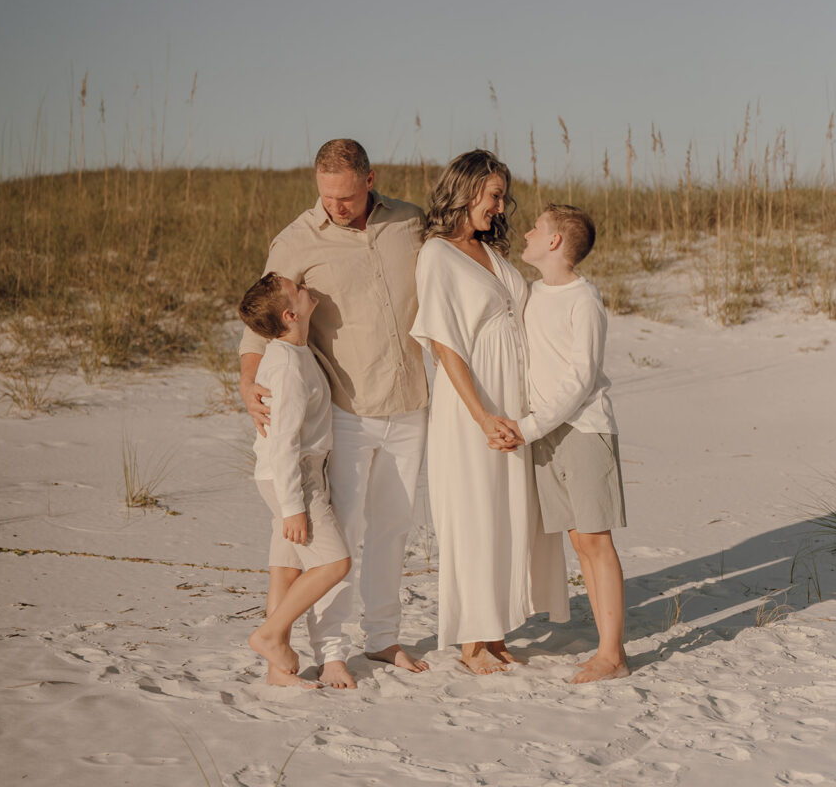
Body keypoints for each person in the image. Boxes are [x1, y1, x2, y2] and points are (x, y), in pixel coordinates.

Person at [239, 139, 430, 690]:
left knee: (394, 529)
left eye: (345, 196)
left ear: (371, 180)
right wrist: (248, 380)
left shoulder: (409, 223)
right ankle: (332, 649)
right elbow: (260, 319)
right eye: (325, 196)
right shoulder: (297, 240)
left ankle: (384, 636)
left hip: (410, 401)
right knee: (340, 536)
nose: (335, 207)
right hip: (344, 411)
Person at [410, 149, 569, 675]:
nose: (501, 207)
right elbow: (443, 344)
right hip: (472, 409)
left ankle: (495, 631)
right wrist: (481, 414)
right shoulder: (437, 254)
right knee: (475, 515)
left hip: (514, 406)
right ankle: (472, 642)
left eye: (502, 197)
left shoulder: (491, 253)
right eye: (494, 195)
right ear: (466, 190)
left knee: (508, 514)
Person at [490, 204, 629, 683]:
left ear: (554, 242)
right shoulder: (530, 294)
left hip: (583, 430)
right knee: (577, 539)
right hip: (545, 434)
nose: (526, 232)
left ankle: (613, 656)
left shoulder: (583, 299)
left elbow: (579, 381)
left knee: (594, 538)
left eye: (536, 227)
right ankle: (606, 648)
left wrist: (527, 429)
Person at [238, 272, 351, 688]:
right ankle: (268, 636)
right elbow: (283, 442)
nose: (306, 286)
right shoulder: (285, 366)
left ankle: (278, 672)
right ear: (291, 314)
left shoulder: (295, 353)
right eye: (299, 288)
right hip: (294, 478)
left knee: (285, 570)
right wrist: (293, 507)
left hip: (289, 475)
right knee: (334, 562)